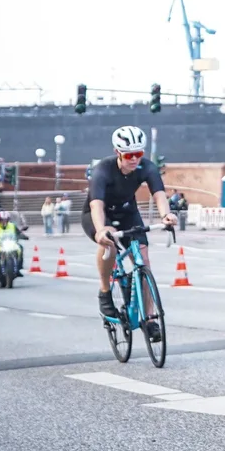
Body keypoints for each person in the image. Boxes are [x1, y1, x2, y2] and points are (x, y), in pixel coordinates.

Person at [85, 126, 177, 330]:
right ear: (118, 152)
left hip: (128, 212)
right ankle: (105, 290)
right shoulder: (104, 169)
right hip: (100, 214)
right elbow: (96, 204)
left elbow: (159, 193)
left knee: (143, 261)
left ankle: (150, 318)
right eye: (129, 155)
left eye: (139, 154)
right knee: (108, 242)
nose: (134, 159)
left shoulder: (147, 167)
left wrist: (166, 215)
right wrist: (100, 230)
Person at [0, 208, 29, 278]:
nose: (4, 222)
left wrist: (23, 236)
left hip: (10, 243)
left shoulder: (12, 225)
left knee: (20, 248)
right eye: (2, 220)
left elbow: (18, 233)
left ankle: (19, 267)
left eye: (5, 220)